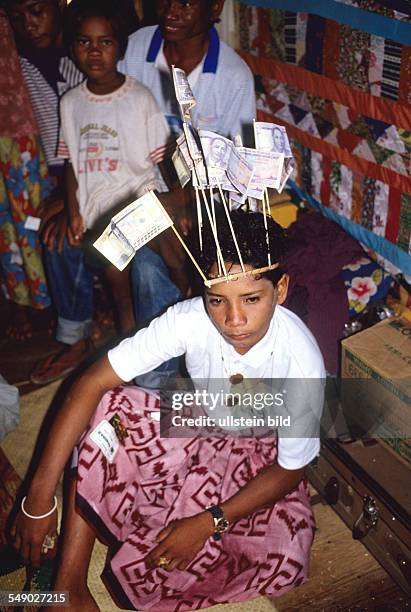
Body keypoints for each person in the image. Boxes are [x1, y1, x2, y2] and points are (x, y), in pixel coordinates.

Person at [11, 209, 325, 612]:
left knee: (286, 555)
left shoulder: (302, 362)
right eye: (217, 300)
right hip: (196, 419)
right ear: (203, 293)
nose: (234, 319)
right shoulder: (189, 319)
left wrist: (210, 521)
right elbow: (92, 383)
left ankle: (160, 515)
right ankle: (70, 586)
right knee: (113, 410)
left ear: (280, 290)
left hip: (259, 458)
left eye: (251, 299)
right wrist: (38, 498)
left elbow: (291, 468)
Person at [119, 0, 257, 387]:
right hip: (139, 184)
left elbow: (239, 163)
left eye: (185, 2)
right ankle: (156, 376)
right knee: (151, 259)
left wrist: (184, 199)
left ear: (215, 7)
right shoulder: (134, 49)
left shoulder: (233, 75)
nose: (170, 10)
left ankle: (172, 359)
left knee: (162, 249)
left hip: (207, 195)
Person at [54, 2, 170, 341]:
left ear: (120, 47)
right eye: (84, 42)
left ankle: (156, 351)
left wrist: (176, 209)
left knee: (154, 277)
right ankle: (127, 355)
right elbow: (72, 162)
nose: (94, 52)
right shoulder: (71, 102)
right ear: (73, 47)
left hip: (138, 207)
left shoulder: (139, 98)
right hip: (97, 214)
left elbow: (162, 161)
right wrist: (74, 211)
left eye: (105, 42)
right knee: (120, 296)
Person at [0, 8, 52, 340]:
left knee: (29, 223)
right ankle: (18, 303)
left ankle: (44, 305)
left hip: (17, 130)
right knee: (4, 230)